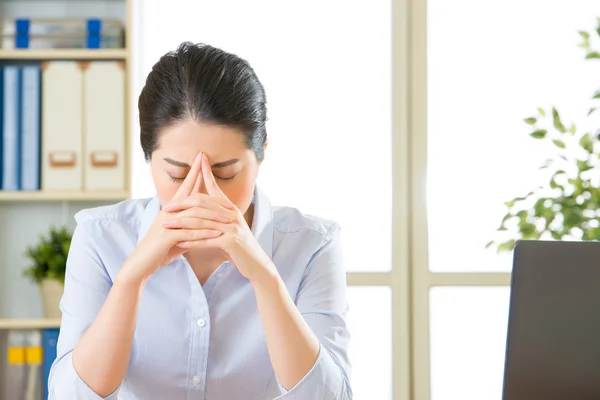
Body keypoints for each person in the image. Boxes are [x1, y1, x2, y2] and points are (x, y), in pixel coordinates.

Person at [48, 42, 352, 400]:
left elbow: (329, 396)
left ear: (261, 155)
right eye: (178, 175)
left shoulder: (312, 244)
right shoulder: (100, 237)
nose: (201, 195)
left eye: (225, 174)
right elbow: (70, 396)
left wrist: (265, 277)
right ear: (148, 157)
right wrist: (130, 280)